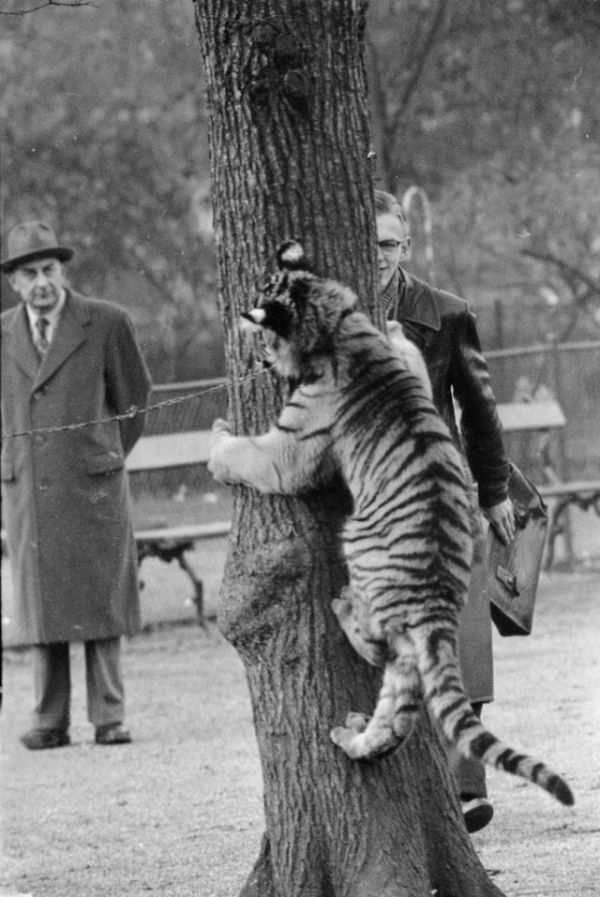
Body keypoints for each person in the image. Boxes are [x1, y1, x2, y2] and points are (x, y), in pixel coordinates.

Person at [374, 190, 516, 833]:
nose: (377, 256)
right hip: (369, 501)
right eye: (367, 242)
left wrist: (494, 492)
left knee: (458, 639)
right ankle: (403, 793)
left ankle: (466, 788)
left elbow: (481, 413)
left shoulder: (447, 315)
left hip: (441, 496)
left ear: (406, 246)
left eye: (388, 243)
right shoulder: (329, 313)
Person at [1, 220, 152, 749]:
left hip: (92, 487)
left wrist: (102, 453)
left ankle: (110, 715)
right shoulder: (2, 334)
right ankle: (50, 719)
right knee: (41, 602)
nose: (41, 282)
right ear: (14, 283)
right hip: (29, 491)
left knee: (100, 595)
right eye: (28, 274)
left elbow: (135, 399)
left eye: (48, 270)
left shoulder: (106, 322)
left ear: (63, 272)